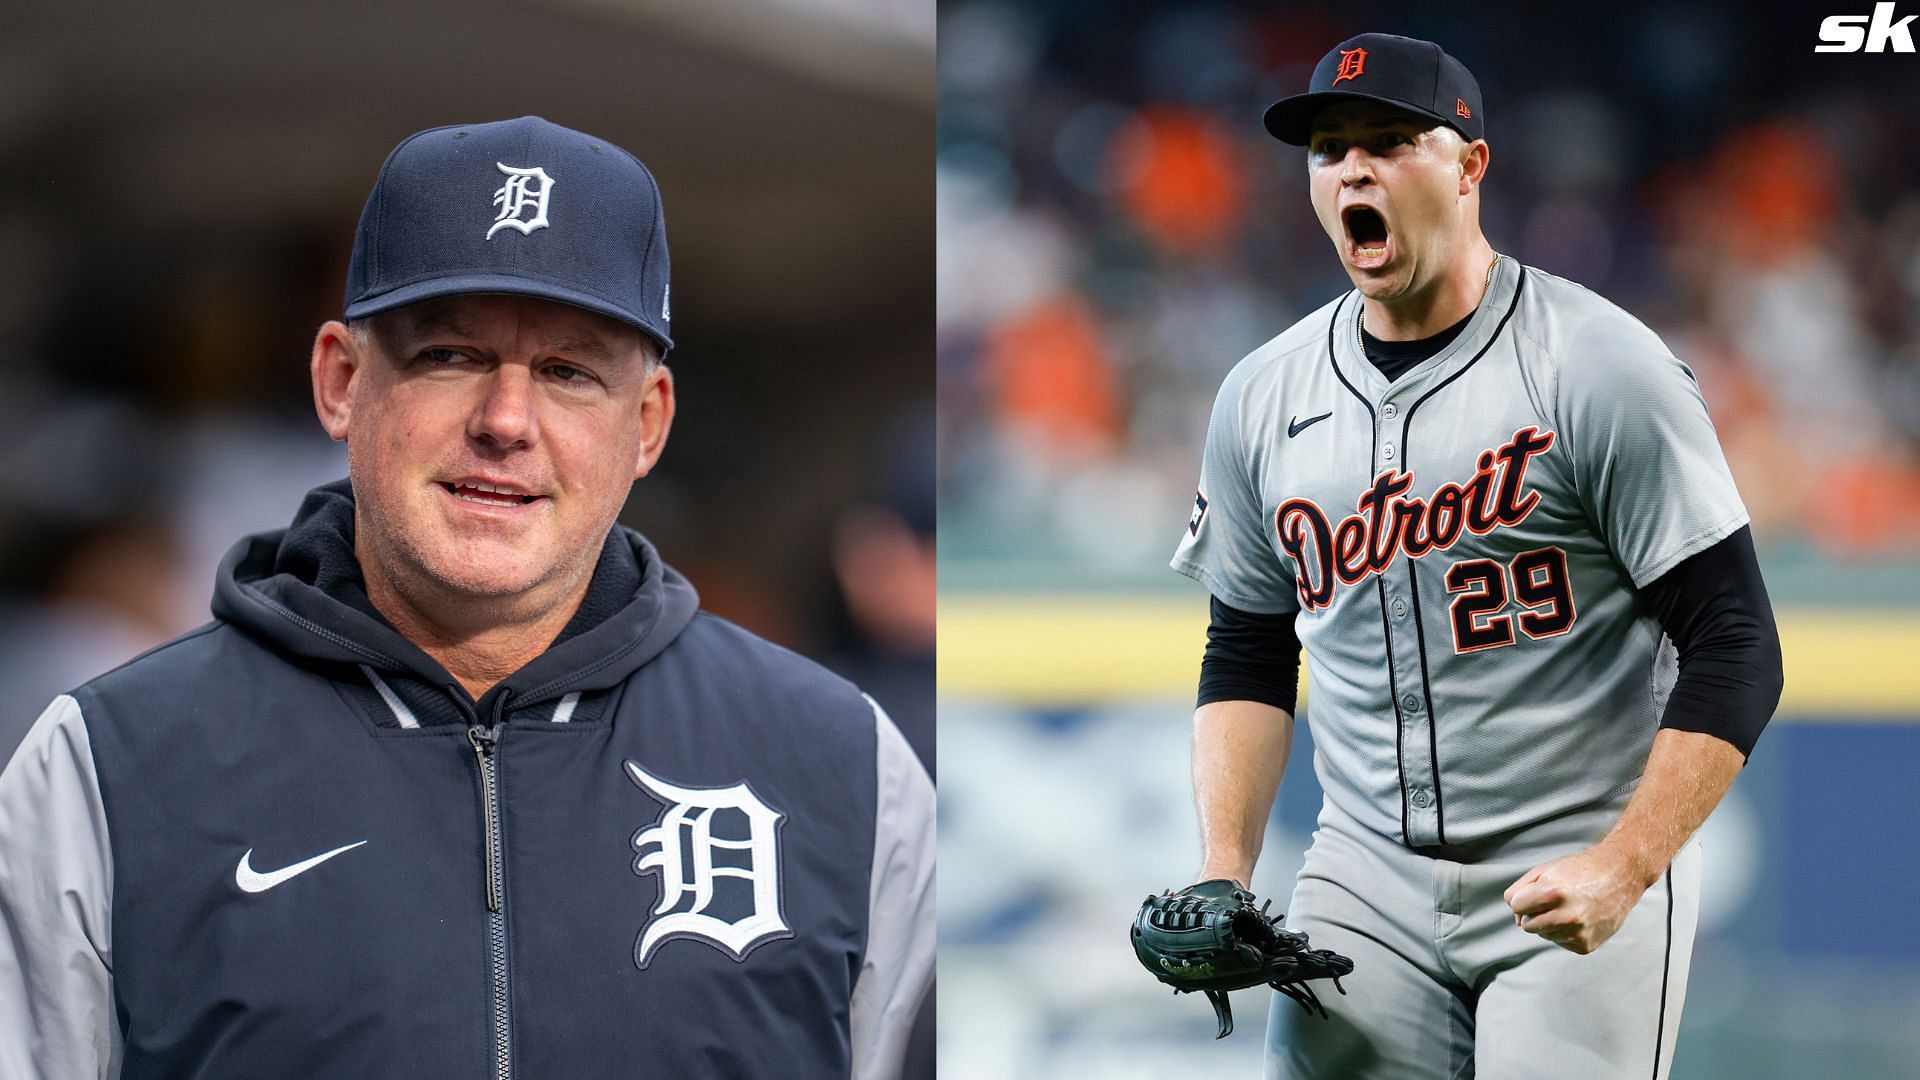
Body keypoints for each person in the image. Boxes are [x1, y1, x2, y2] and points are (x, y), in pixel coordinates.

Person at [0, 116, 935, 1080]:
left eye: (570, 372)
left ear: (648, 423)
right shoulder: (107, 767)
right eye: (448, 355)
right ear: (341, 382)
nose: (506, 422)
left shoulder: (848, 772)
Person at [1165, 35, 1783, 1078]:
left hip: (1572, 852)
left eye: (1389, 142)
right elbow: (1248, 651)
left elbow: (1735, 640)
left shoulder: (1595, 363)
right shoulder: (1262, 397)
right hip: (1362, 874)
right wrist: (1224, 869)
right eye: (1328, 151)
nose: (1352, 169)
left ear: (1469, 165)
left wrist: (1627, 867)